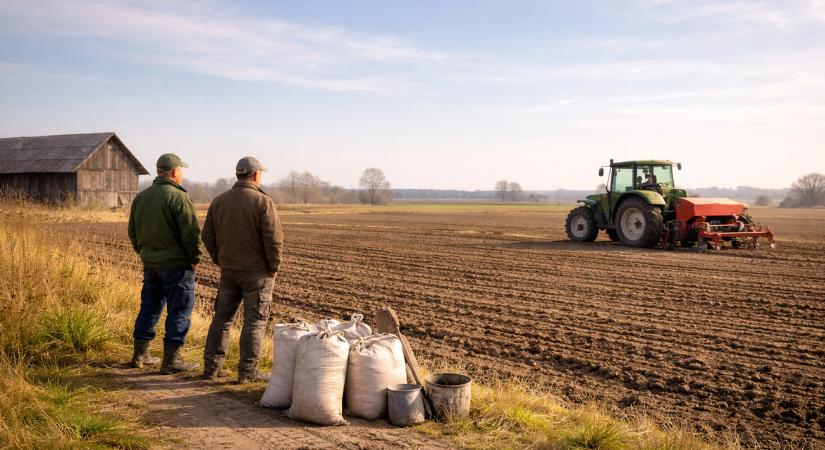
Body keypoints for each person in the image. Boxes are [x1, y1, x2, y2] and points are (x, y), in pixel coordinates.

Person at [202, 156, 284, 382]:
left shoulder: (219, 201)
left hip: (229, 271)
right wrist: (273, 266)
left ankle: (211, 368)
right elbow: (274, 240)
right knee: (255, 322)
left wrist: (220, 258)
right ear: (256, 175)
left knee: (222, 319)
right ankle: (247, 372)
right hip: (257, 273)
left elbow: (206, 235)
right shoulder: (262, 202)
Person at [127, 153, 202, 374]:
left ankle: (140, 355)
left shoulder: (142, 197)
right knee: (180, 309)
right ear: (174, 172)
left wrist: (143, 252)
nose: (182, 174)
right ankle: (171, 360)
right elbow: (191, 233)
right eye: (181, 170)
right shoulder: (179, 197)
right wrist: (194, 258)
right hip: (177, 265)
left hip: (151, 263)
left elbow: (132, 231)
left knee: (149, 306)